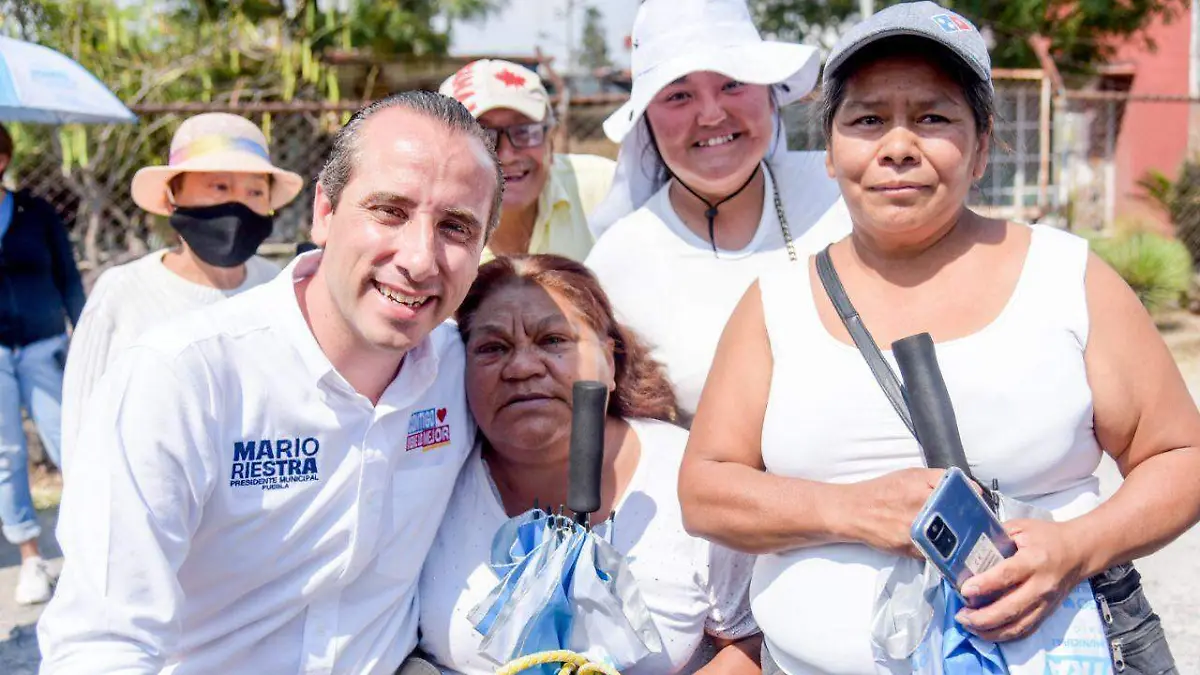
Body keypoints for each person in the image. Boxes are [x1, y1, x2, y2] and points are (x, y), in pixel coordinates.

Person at [678, 3, 1197, 674]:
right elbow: (705, 490)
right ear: (830, 153)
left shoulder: (1067, 278)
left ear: (982, 146)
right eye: (867, 120)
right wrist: (851, 509)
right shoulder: (774, 305)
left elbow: (1181, 455)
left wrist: (1077, 547)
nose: (898, 145)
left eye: (933, 117)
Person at [38, 91, 503, 674]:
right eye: (389, 210)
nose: (419, 258)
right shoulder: (183, 378)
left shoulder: (467, 374)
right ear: (325, 213)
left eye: (456, 227)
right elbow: (102, 643)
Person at [417, 254, 760, 675]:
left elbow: (753, 637)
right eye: (493, 348)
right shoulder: (428, 481)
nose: (523, 367)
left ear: (610, 360)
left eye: (553, 340)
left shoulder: (687, 477)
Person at [585, 0, 852, 422]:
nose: (711, 114)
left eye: (732, 84)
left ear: (769, 94)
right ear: (646, 122)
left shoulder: (845, 192)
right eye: (678, 95)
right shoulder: (618, 262)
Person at [58, 112, 303, 473]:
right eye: (219, 187)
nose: (237, 205)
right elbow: (83, 420)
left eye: (254, 191)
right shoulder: (123, 293)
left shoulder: (279, 288)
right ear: (173, 196)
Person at [0, 122, 85, 604]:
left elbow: (68, 276)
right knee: (6, 455)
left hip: (43, 344)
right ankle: (31, 557)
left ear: (2, 160)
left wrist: (85, 334)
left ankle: (84, 552)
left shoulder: (37, 212)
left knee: (69, 443)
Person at [440, 59, 615, 261]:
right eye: (482, 136)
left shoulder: (606, 190)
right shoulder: (425, 231)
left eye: (524, 132)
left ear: (550, 140)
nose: (506, 155)